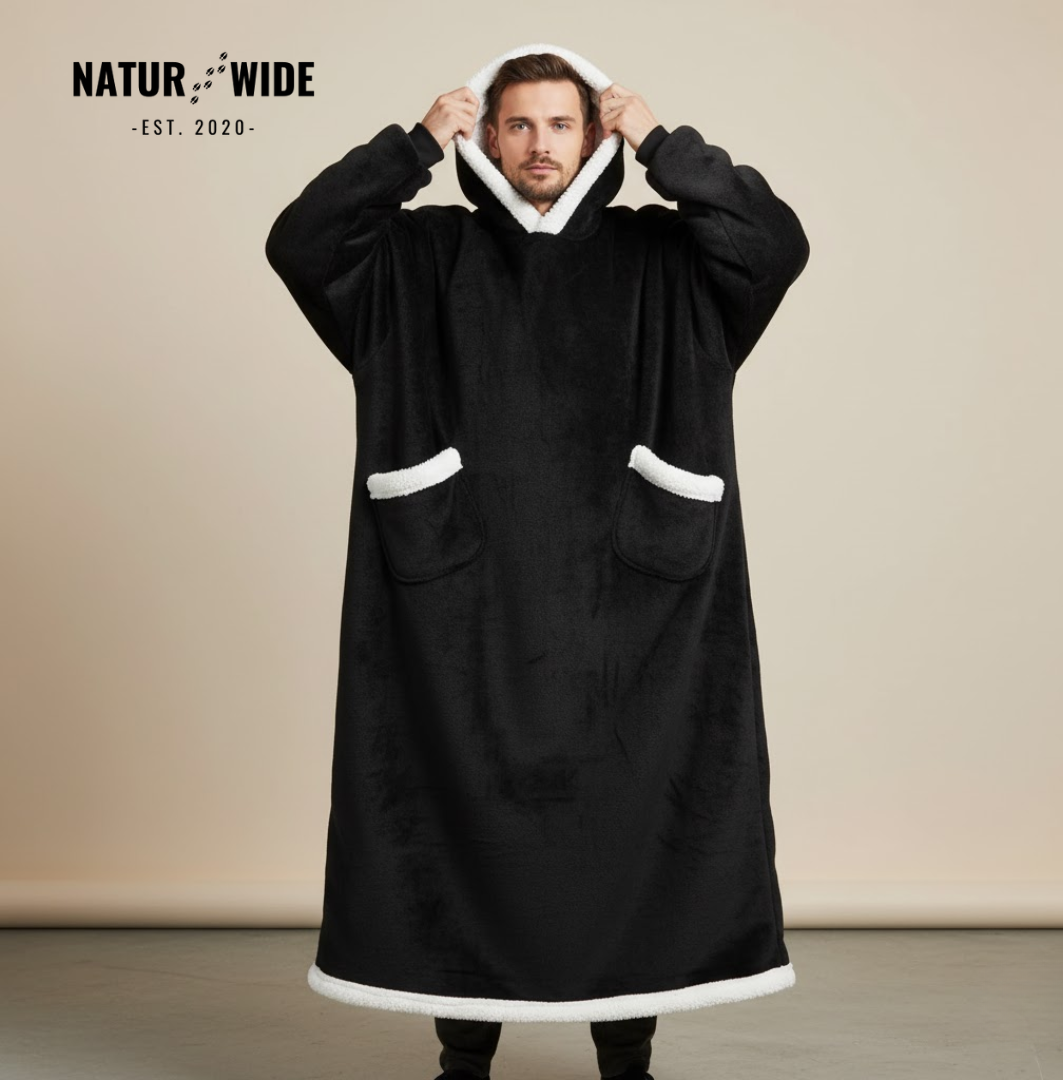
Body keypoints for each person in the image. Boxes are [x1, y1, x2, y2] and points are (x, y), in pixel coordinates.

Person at [265, 42, 808, 1080]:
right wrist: (411, 147)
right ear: (486, 135)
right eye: (518, 124)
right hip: (457, 599)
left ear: (596, 134)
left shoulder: (670, 259)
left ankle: (628, 1056)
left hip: (640, 603)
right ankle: (461, 1059)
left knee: (634, 809)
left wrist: (666, 145)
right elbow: (302, 240)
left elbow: (775, 243)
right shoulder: (416, 260)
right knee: (454, 807)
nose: (539, 144)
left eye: (562, 123)